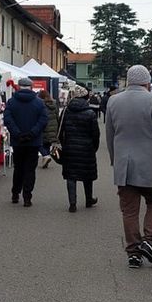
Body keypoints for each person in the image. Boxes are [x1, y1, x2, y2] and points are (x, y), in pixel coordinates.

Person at [106, 65, 152, 269]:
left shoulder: (113, 101)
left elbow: (110, 135)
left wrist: (115, 160)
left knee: (129, 210)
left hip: (124, 166)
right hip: (150, 165)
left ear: (129, 81)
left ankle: (134, 254)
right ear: (147, 82)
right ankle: (149, 241)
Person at [3, 78, 48, 207]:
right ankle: (27, 196)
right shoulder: (39, 103)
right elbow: (43, 120)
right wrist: (33, 133)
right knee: (30, 169)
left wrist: (17, 133)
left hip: (18, 141)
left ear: (18, 86)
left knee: (18, 168)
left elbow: (8, 120)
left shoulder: (11, 102)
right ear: (31, 87)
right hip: (33, 141)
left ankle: (15, 193)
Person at [58, 84, 100, 212]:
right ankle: (88, 199)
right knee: (87, 175)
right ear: (85, 98)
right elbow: (95, 134)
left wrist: (63, 144)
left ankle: (72, 203)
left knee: (71, 176)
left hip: (69, 147)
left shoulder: (66, 111)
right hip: (87, 148)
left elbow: (60, 130)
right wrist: (94, 147)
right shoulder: (90, 113)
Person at [38, 88, 59, 169]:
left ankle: (45, 156)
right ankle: (45, 160)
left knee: (39, 144)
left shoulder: (40, 104)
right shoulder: (54, 104)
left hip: (44, 126)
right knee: (47, 144)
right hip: (53, 127)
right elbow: (57, 115)